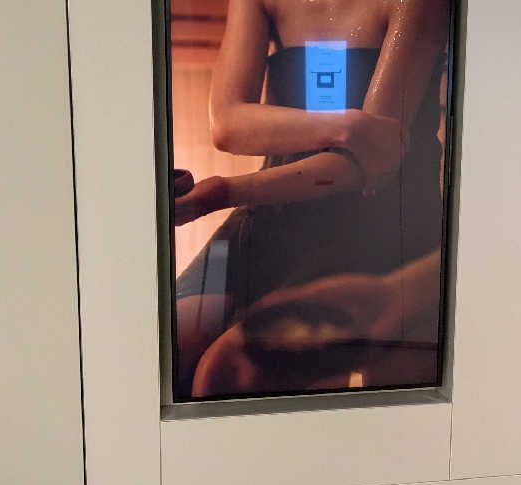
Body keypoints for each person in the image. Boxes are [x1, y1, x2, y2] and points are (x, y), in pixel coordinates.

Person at [174, 0, 450, 399]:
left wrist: (224, 192)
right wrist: (345, 126)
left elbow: (368, 162)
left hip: (381, 221)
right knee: (168, 351)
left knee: (231, 371)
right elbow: (227, 124)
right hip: (275, 212)